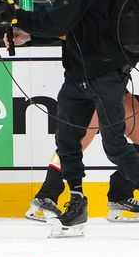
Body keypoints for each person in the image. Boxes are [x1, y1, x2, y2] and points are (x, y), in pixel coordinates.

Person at [9, 0, 139, 236]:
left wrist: (15, 16)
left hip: (102, 68)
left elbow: (64, 17)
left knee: (110, 140)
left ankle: (56, 196)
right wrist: (31, 28)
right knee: (73, 137)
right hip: (86, 69)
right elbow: (76, 16)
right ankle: (73, 198)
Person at [26, 92, 139, 223]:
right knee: (73, 146)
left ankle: (120, 195)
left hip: (111, 89)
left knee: (73, 146)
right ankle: (46, 196)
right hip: (98, 91)